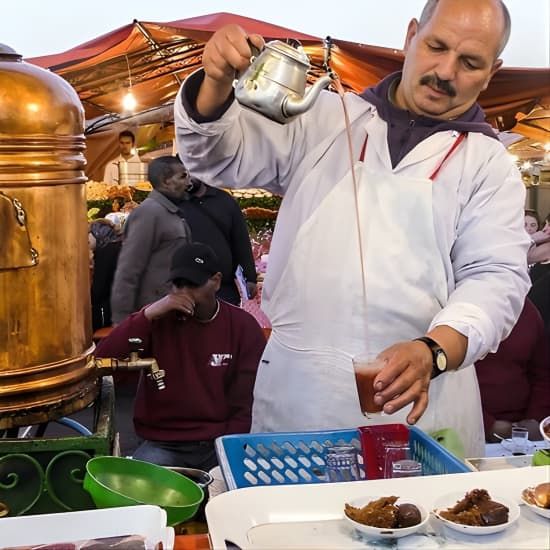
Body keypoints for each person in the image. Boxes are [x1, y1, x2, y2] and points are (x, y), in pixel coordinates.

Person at [174, 0, 531, 456]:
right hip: (301, 393)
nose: (445, 71)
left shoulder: (488, 163)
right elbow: (215, 157)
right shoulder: (323, 118)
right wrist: (216, 80)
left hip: (419, 401)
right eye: (436, 47)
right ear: (410, 36)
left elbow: (496, 278)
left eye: (469, 63)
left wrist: (433, 351)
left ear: (491, 71)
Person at [96, 242, 266, 470]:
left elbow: (246, 403)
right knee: (142, 489)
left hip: (220, 442)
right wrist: (146, 315)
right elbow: (103, 362)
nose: (183, 293)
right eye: (177, 284)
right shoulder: (157, 319)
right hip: (163, 442)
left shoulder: (243, 327)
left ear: (216, 281)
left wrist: (230, 451)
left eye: (193, 284)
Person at [110, 156, 192, 324]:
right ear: (166, 181)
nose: (189, 183)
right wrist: (122, 324)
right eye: (183, 176)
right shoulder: (149, 213)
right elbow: (128, 271)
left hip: (171, 315)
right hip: (154, 317)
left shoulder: (170, 212)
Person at [475, 299, 550, 443]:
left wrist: (535, 420)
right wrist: (488, 425)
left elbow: (542, 375)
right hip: (468, 428)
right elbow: (445, 384)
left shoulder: (529, 313)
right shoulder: (456, 314)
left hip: (527, 431)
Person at [177, 175, 257, 305]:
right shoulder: (176, 202)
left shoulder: (224, 200)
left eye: (189, 173)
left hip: (223, 287)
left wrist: (250, 277)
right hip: (187, 286)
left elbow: (240, 240)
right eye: (182, 175)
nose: (187, 180)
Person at [89, 219, 123, 330]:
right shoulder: (118, 247)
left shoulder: (105, 252)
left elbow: (98, 290)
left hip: (108, 312)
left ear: (97, 233)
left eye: (88, 234)